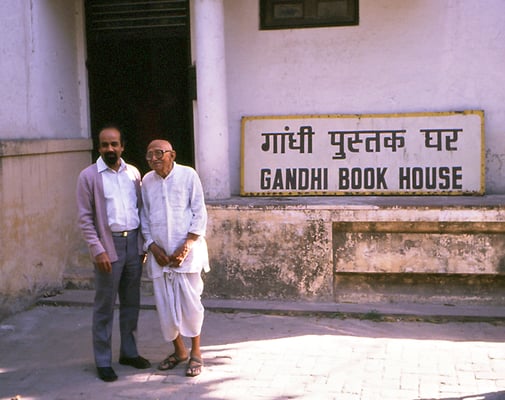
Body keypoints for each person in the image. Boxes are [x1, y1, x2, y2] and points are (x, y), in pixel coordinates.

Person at [76, 125, 151, 382]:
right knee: (105, 307)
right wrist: (98, 250)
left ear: (122, 146)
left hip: (133, 246)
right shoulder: (89, 176)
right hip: (109, 247)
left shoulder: (133, 173)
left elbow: (140, 210)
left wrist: (142, 245)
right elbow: (85, 219)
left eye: (114, 144)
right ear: (99, 148)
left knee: (131, 304)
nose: (110, 149)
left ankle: (129, 353)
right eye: (105, 145)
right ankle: (104, 360)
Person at [140, 139, 210, 377]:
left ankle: (196, 353)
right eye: (149, 155)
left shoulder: (188, 175)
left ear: (173, 154)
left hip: (187, 254)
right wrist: (151, 246)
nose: (154, 159)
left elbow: (199, 211)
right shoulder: (147, 181)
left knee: (191, 305)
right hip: (160, 255)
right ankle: (179, 351)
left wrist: (187, 245)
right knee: (166, 307)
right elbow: (144, 216)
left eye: (159, 153)